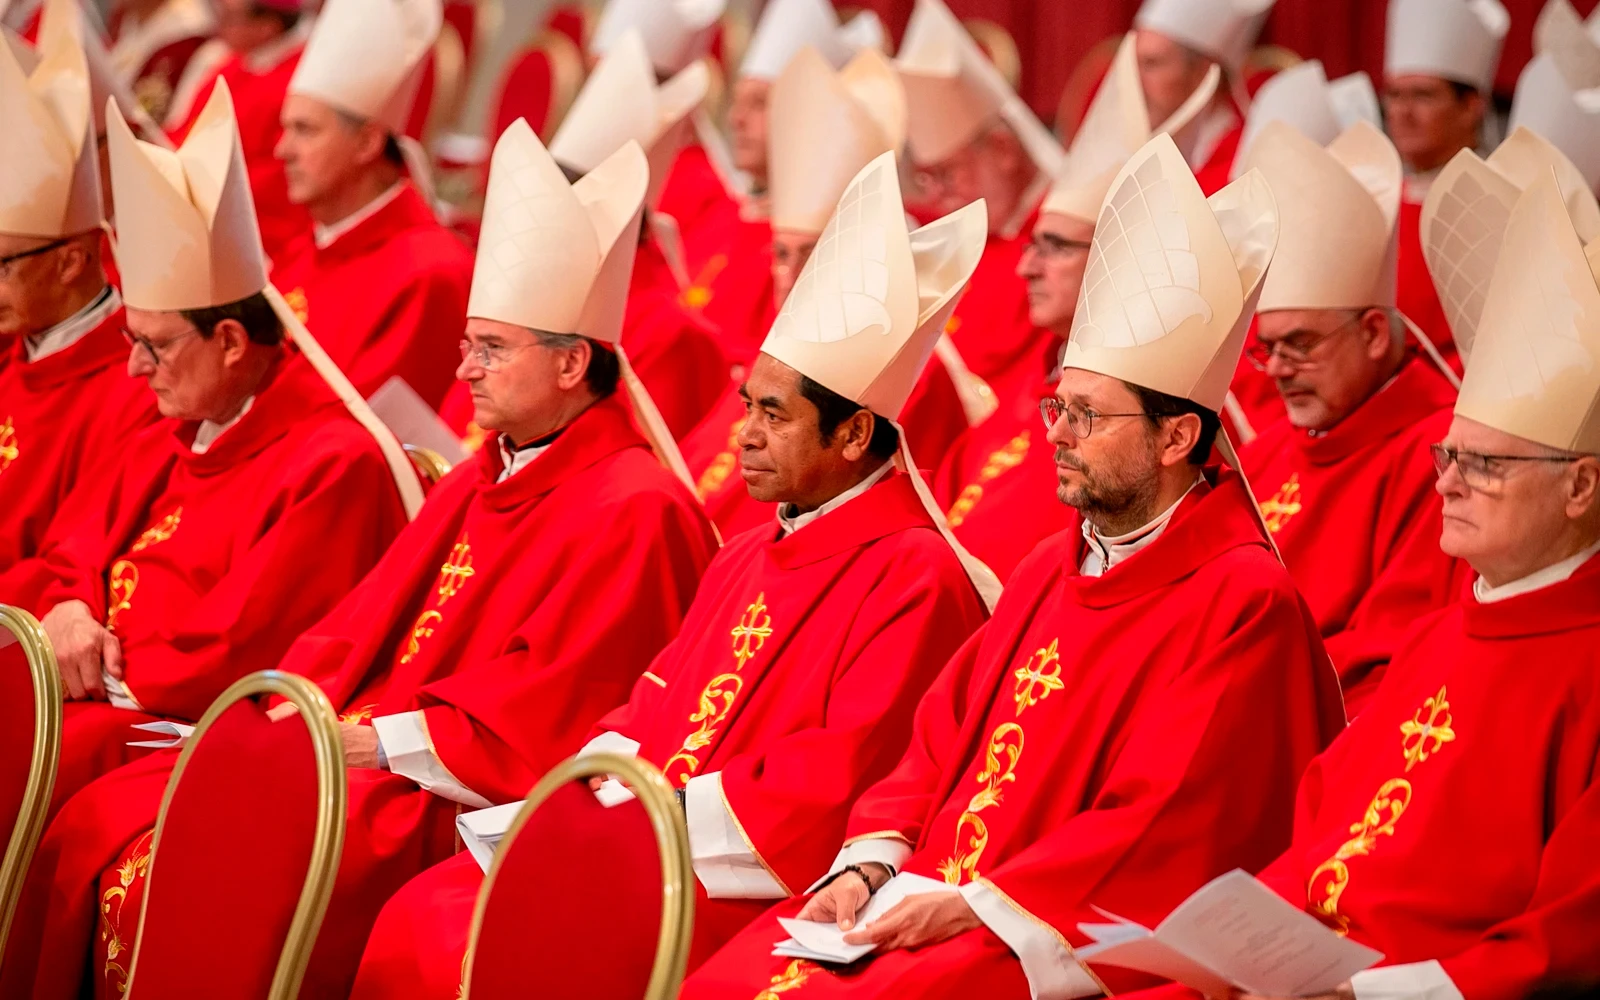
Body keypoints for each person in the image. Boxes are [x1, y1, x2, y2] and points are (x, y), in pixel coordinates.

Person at [9, 125, 720, 1000]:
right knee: (97, 818)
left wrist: (370, 740)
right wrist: (294, 715)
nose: (463, 372)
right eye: (467, 345)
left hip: (450, 791)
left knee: (219, 855)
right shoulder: (484, 471)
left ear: (574, 363)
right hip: (365, 745)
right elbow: (352, 625)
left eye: (490, 350)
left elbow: (556, 704)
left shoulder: (637, 508)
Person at [681, 134, 1346, 1000]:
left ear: (1177, 437)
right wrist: (870, 867)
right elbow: (934, 744)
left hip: (1047, 939)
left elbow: (1167, 826)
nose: (1057, 436)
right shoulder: (1046, 568)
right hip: (935, 900)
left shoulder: (1240, 601)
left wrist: (977, 906)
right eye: (1056, 407)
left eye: (1088, 417)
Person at [349, 150, 999, 998]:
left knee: (498, 938)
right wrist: (592, 792)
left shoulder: (917, 577)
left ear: (852, 436)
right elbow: (653, 701)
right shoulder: (745, 551)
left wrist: (637, 824)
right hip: (644, 836)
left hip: (734, 879)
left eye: (775, 415)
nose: (745, 437)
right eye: (745, 407)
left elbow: (832, 782)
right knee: (425, 912)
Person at [1130, 160, 1600, 1000]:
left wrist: (1370, 993)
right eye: (1448, 455)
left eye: (1484, 464)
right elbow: (1321, 836)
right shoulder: (1440, 638)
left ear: (1580, 486)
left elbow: (1569, 940)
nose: (1447, 483)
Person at [0, 79, 415, 1000]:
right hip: (105, 681)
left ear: (232, 339)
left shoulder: (330, 459)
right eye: (133, 344)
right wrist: (68, 605)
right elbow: (76, 540)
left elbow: (237, 640)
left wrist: (94, 654)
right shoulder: (178, 412)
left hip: (185, 717)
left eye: (154, 346)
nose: (134, 368)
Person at [935, 31, 1219, 581]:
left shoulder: (1156, 411)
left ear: (1120, 257)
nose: (1026, 267)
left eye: (1056, 247)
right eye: (1032, 244)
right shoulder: (1030, 387)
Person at [682, 47, 971, 536]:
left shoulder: (912, 377)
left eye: (811, 255)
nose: (790, 277)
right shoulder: (771, 364)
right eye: (779, 254)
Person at [1236, 120, 1461, 715]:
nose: (1278, 368)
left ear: (1372, 332)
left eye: (1301, 344)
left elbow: (1393, 654)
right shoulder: (1264, 455)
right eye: (1267, 348)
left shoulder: (1438, 457)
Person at [0, 9, 154, 608]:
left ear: (70, 261)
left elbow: (73, 564)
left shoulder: (134, 382)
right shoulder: (18, 351)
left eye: (4, 267)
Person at [267, 0, 473, 409]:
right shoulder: (305, 244)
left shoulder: (430, 274)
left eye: (305, 131)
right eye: (285, 128)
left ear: (367, 142)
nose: (281, 150)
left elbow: (369, 440)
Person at [894, 0, 1066, 403]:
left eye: (947, 173)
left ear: (1003, 150)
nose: (935, 195)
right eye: (926, 177)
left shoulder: (1065, 241)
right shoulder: (954, 235)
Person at [1384, 0, 1508, 374]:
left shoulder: (1500, 203)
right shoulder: (1375, 199)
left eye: (1422, 95)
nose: (1402, 113)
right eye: (1393, 95)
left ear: (1472, 106)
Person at [163, 0, 311, 262]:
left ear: (268, 26)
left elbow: (278, 178)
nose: (220, 25)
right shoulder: (231, 63)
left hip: (254, 232)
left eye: (231, 17)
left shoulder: (298, 80)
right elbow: (183, 131)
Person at [1132, 0, 1276, 193]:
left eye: (1152, 63)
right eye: (1132, 63)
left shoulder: (1243, 165)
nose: (1134, 80)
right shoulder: (1132, 149)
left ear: (1203, 73)